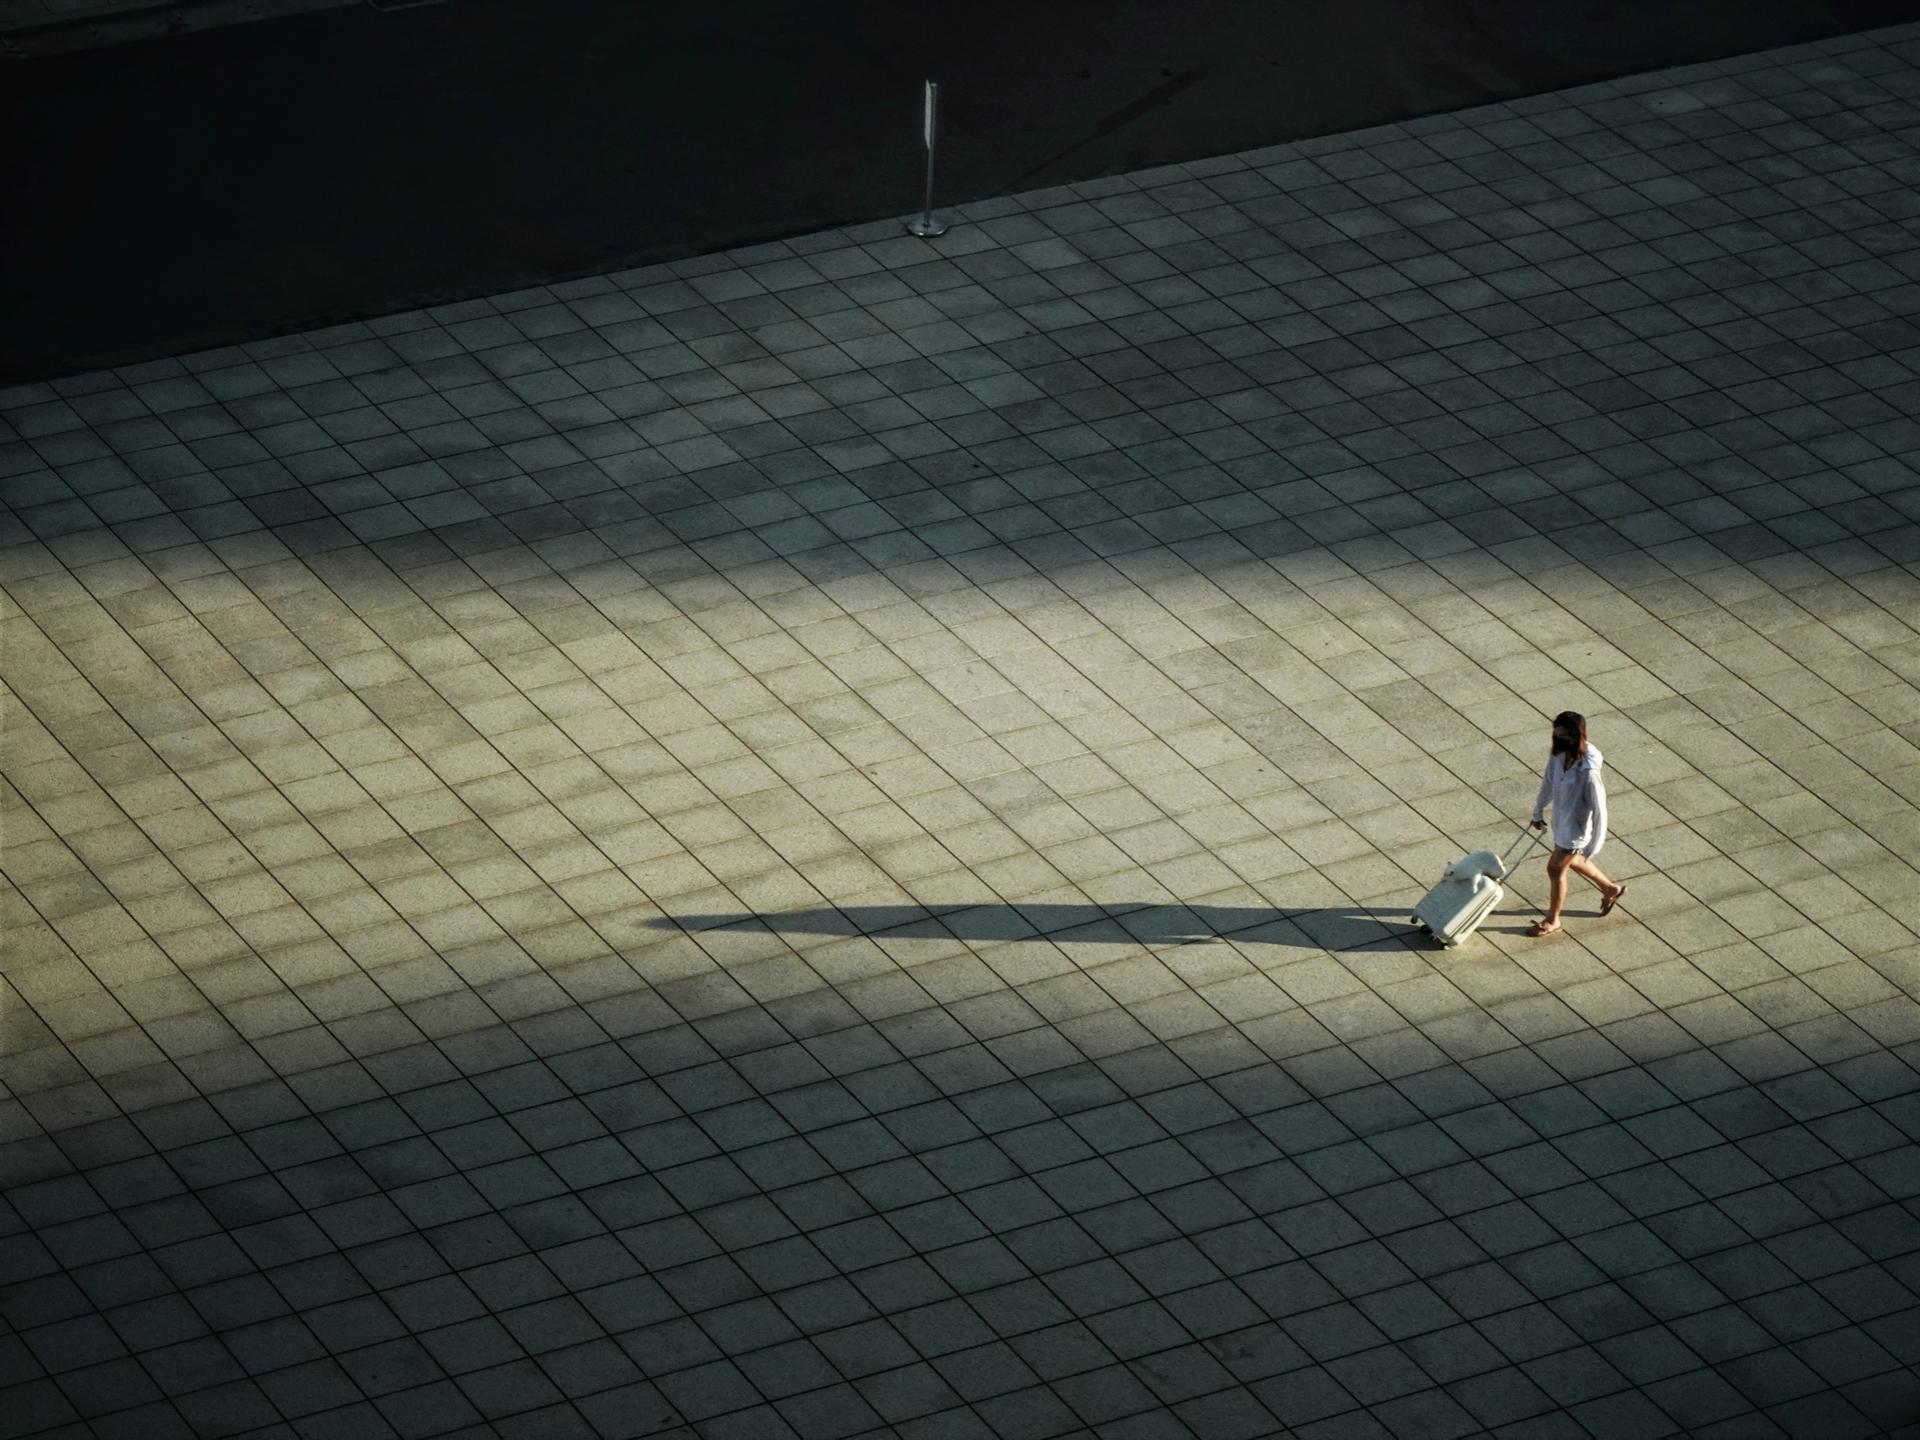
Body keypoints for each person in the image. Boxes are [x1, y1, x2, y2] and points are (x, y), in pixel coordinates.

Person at [1527, 711, 1625, 937]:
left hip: (1576, 829)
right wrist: (1538, 810)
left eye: (1564, 737)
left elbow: (1600, 810)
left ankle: (1553, 920)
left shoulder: (1588, 772)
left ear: (1576, 736)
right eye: (1557, 735)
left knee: (1555, 869)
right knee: (1571, 861)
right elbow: (1548, 782)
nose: (1559, 741)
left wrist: (1593, 846)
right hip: (1561, 821)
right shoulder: (1559, 755)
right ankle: (1610, 889)